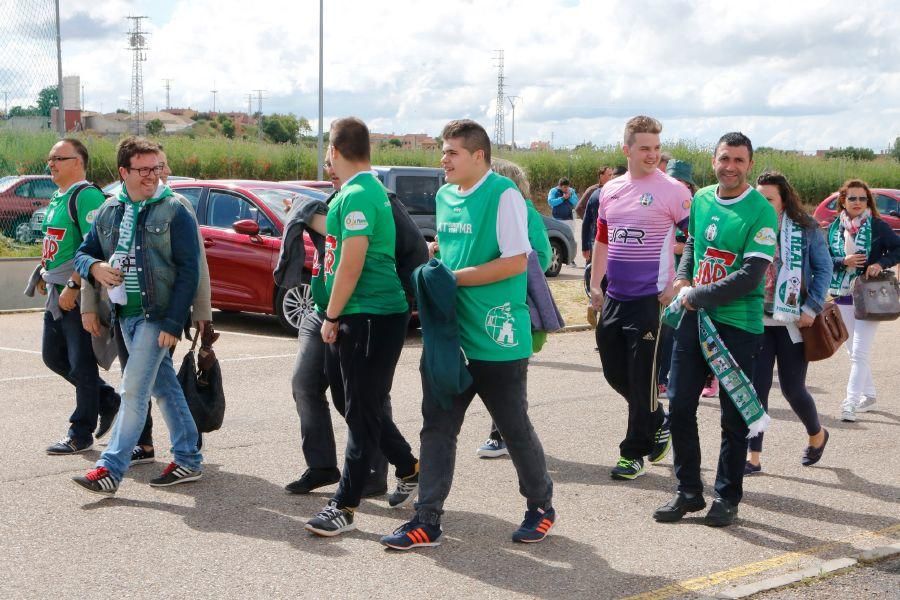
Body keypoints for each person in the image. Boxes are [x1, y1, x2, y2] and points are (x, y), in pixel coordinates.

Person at [380, 119, 554, 550]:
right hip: (449, 335)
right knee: (437, 427)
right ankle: (427, 519)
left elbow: (516, 262)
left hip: (497, 337)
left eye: (452, 152)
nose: (443, 160)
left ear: (479, 156)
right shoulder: (443, 195)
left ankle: (540, 506)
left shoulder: (503, 195)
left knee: (514, 428)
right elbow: (452, 246)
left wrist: (452, 279)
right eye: (443, 151)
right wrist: (435, 260)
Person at [653, 132, 776, 527]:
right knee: (680, 404)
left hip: (737, 325)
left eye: (739, 160)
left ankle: (727, 497)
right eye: (725, 158)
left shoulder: (760, 211)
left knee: (732, 415)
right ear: (713, 161)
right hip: (695, 318)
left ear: (749, 164)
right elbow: (691, 245)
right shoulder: (702, 199)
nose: (731, 167)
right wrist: (684, 276)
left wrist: (697, 293)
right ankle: (688, 492)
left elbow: (751, 276)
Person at [305, 117, 419, 536]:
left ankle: (345, 505)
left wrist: (331, 316)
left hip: (370, 315)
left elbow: (351, 263)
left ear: (333, 152)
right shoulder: (352, 194)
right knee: (351, 403)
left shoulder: (358, 194)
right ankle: (408, 466)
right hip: (355, 314)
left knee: (361, 410)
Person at [71, 136, 202, 496]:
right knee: (164, 387)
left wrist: (176, 322)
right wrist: (96, 266)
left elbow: (190, 270)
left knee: (132, 390)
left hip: (158, 315)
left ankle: (111, 468)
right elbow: (84, 254)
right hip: (124, 315)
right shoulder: (110, 211)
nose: (152, 176)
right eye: (143, 169)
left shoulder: (175, 209)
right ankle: (189, 457)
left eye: (156, 168)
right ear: (123, 172)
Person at [589, 116, 692, 480]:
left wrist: (679, 281)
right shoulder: (610, 190)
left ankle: (633, 453)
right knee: (614, 372)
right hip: (614, 298)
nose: (652, 155)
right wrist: (596, 284)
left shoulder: (674, 191)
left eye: (656, 148)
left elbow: (694, 239)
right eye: (645, 148)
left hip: (653, 300)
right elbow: (603, 238)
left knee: (644, 377)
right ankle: (657, 420)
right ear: (627, 149)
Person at [282, 160, 391, 498]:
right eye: (326, 161)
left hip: (357, 311)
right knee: (304, 383)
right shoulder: (333, 200)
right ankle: (322, 466)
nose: (329, 167)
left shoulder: (371, 198)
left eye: (334, 160)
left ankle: (377, 469)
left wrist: (300, 213)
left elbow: (341, 233)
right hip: (320, 310)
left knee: (362, 396)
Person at [743, 171, 832, 474]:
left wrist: (813, 306)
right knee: (757, 390)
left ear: (783, 201)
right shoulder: (749, 225)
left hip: (794, 320)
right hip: (758, 319)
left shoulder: (806, 227)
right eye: (758, 198)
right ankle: (753, 458)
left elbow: (823, 269)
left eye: (769, 199)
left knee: (793, 389)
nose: (762, 203)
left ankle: (817, 434)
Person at [38, 137, 120, 455]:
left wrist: (73, 287)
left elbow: (94, 248)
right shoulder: (59, 197)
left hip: (78, 292)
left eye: (58, 158)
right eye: (50, 158)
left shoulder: (86, 196)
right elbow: (57, 243)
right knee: (52, 356)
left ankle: (80, 431)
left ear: (78, 162)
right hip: (56, 291)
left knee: (81, 362)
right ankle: (108, 399)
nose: (51, 163)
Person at [475, 157, 552, 458]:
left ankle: (504, 435)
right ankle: (508, 434)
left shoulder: (523, 211)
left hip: (511, 304)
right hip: (491, 304)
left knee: (508, 375)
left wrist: (507, 271)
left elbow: (541, 256)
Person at [826, 179, 900, 422]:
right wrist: (842, 261)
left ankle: (850, 402)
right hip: (842, 294)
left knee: (859, 353)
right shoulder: (834, 228)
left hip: (869, 295)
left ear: (868, 201)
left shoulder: (878, 226)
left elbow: (897, 249)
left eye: (862, 198)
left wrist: (880, 263)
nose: (858, 202)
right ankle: (868, 394)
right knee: (852, 351)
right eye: (852, 198)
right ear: (843, 201)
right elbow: (825, 259)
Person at [657, 159, 697, 397]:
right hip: (664, 275)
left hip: (686, 277)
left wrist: (680, 246)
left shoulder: (693, 205)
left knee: (675, 330)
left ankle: (667, 379)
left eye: (679, 181)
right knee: (666, 330)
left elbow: (696, 241)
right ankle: (662, 378)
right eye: (671, 180)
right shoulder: (663, 199)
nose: (675, 185)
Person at [578, 166, 614, 264]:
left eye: (613, 175)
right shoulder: (593, 191)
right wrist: (594, 222)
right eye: (609, 175)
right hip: (596, 238)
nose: (612, 178)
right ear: (601, 176)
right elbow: (579, 208)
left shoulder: (615, 191)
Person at [548, 177, 579, 265]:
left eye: (567, 187)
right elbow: (551, 202)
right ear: (559, 186)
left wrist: (568, 197)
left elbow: (575, 202)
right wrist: (562, 198)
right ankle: (556, 257)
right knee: (558, 239)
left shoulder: (571, 191)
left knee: (570, 238)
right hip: (557, 220)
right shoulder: (553, 191)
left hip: (569, 220)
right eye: (564, 187)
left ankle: (571, 259)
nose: (566, 189)